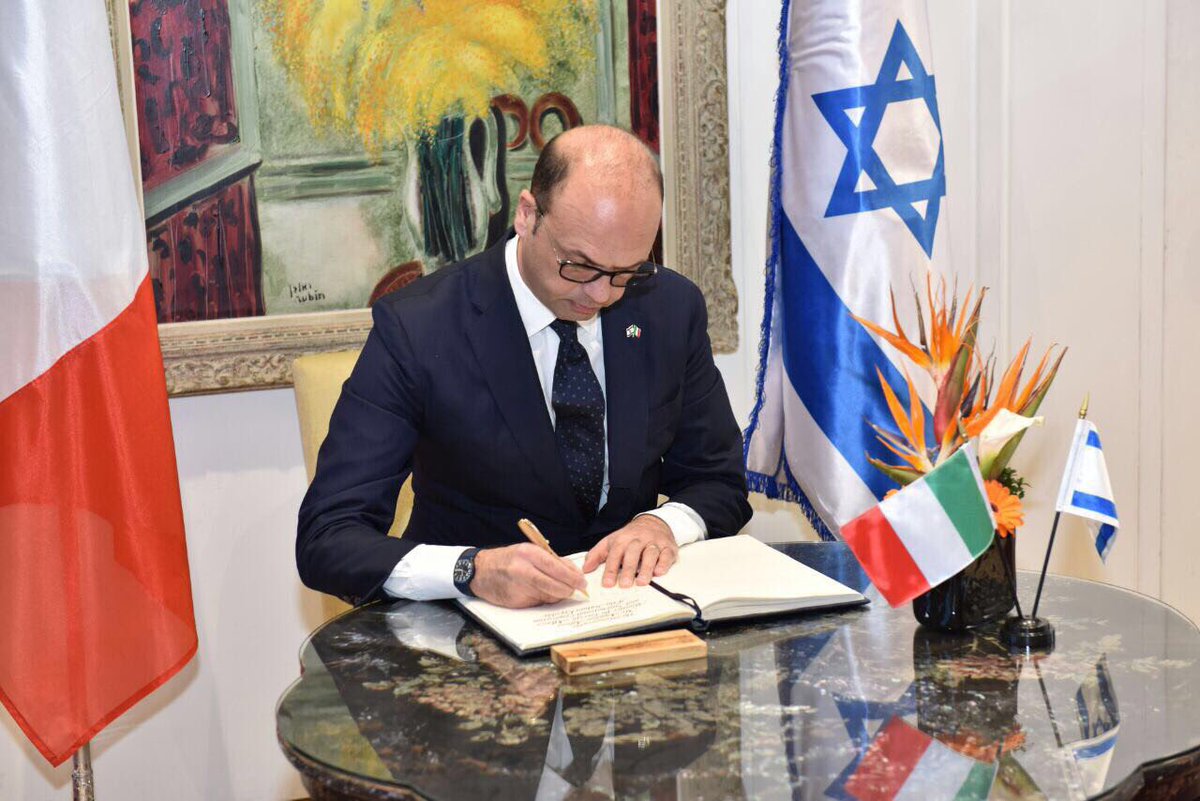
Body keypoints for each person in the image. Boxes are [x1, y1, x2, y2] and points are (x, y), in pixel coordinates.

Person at [297, 124, 751, 609]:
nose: (602, 294)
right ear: (528, 214)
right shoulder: (420, 327)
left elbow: (718, 480)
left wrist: (662, 524)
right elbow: (329, 536)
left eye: (626, 272)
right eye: (579, 265)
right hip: (469, 628)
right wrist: (471, 570)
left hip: (628, 614)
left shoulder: (667, 308)